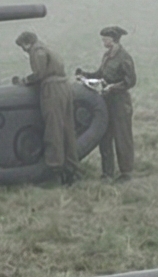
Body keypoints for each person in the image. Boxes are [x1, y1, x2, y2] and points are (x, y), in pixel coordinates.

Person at [14, 30, 78, 183]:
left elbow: (39, 74)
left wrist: (24, 81)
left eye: (23, 47)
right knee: (67, 129)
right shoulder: (46, 48)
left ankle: (54, 171)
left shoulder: (37, 51)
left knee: (53, 129)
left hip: (52, 89)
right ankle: (72, 170)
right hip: (64, 87)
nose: (24, 50)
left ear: (26, 43)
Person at [91, 24, 136, 180]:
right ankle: (107, 172)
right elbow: (100, 74)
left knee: (122, 138)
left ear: (114, 40)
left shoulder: (124, 58)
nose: (103, 41)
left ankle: (126, 172)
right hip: (106, 101)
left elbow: (130, 81)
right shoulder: (107, 55)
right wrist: (86, 76)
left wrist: (113, 87)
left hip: (120, 102)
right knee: (105, 137)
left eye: (106, 38)